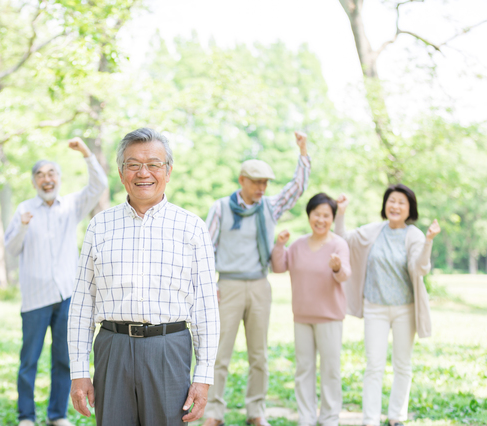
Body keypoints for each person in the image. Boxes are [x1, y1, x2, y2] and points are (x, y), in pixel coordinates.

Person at [67, 128, 220, 426]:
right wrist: (78, 371)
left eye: (154, 164)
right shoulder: (100, 226)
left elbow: (205, 308)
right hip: (112, 348)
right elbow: (82, 303)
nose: (143, 173)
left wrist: (203, 377)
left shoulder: (191, 227)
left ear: (168, 171)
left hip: (169, 348)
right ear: (122, 173)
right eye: (133, 164)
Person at [203, 132, 311, 426]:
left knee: (259, 356)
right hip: (227, 286)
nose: (263, 188)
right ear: (242, 180)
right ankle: (213, 412)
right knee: (219, 354)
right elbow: (206, 250)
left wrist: (303, 151)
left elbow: (297, 188)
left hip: (260, 286)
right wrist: (210, 286)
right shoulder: (220, 208)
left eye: (266, 183)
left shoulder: (269, 206)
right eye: (257, 182)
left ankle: (256, 411)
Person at [4, 137, 108, 426]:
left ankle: (57, 415)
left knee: (64, 359)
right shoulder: (25, 209)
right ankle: (26, 415)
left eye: (52, 174)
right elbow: (10, 250)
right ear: (34, 181)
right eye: (41, 174)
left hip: (66, 295)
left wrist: (86, 153)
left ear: (59, 179)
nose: (46, 179)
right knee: (29, 361)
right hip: (35, 297)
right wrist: (23, 227)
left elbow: (98, 185)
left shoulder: (71, 205)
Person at [335, 185, 441, 426]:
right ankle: (370, 419)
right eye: (391, 201)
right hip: (376, 307)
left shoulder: (413, 235)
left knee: (402, 364)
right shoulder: (374, 230)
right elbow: (343, 240)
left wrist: (428, 241)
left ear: (409, 209)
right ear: (385, 205)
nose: (395, 206)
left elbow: (421, 268)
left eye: (401, 202)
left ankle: (396, 417)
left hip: (405, 308)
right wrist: (340, 213)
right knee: (374, 364)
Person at [272, 193, 351, 426]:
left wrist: (337, 268)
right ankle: (306, 418)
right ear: (309, 216)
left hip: (330, 318)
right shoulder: (297, 245)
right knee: (304, 370)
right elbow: (279, 266)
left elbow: (345, 274)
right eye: (317, 214)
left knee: (330, 370)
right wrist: (279, 245)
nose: (321, 219)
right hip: (302, 317)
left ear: (332, 218)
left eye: (326, 215)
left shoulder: (339, 244)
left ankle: (329, 418)